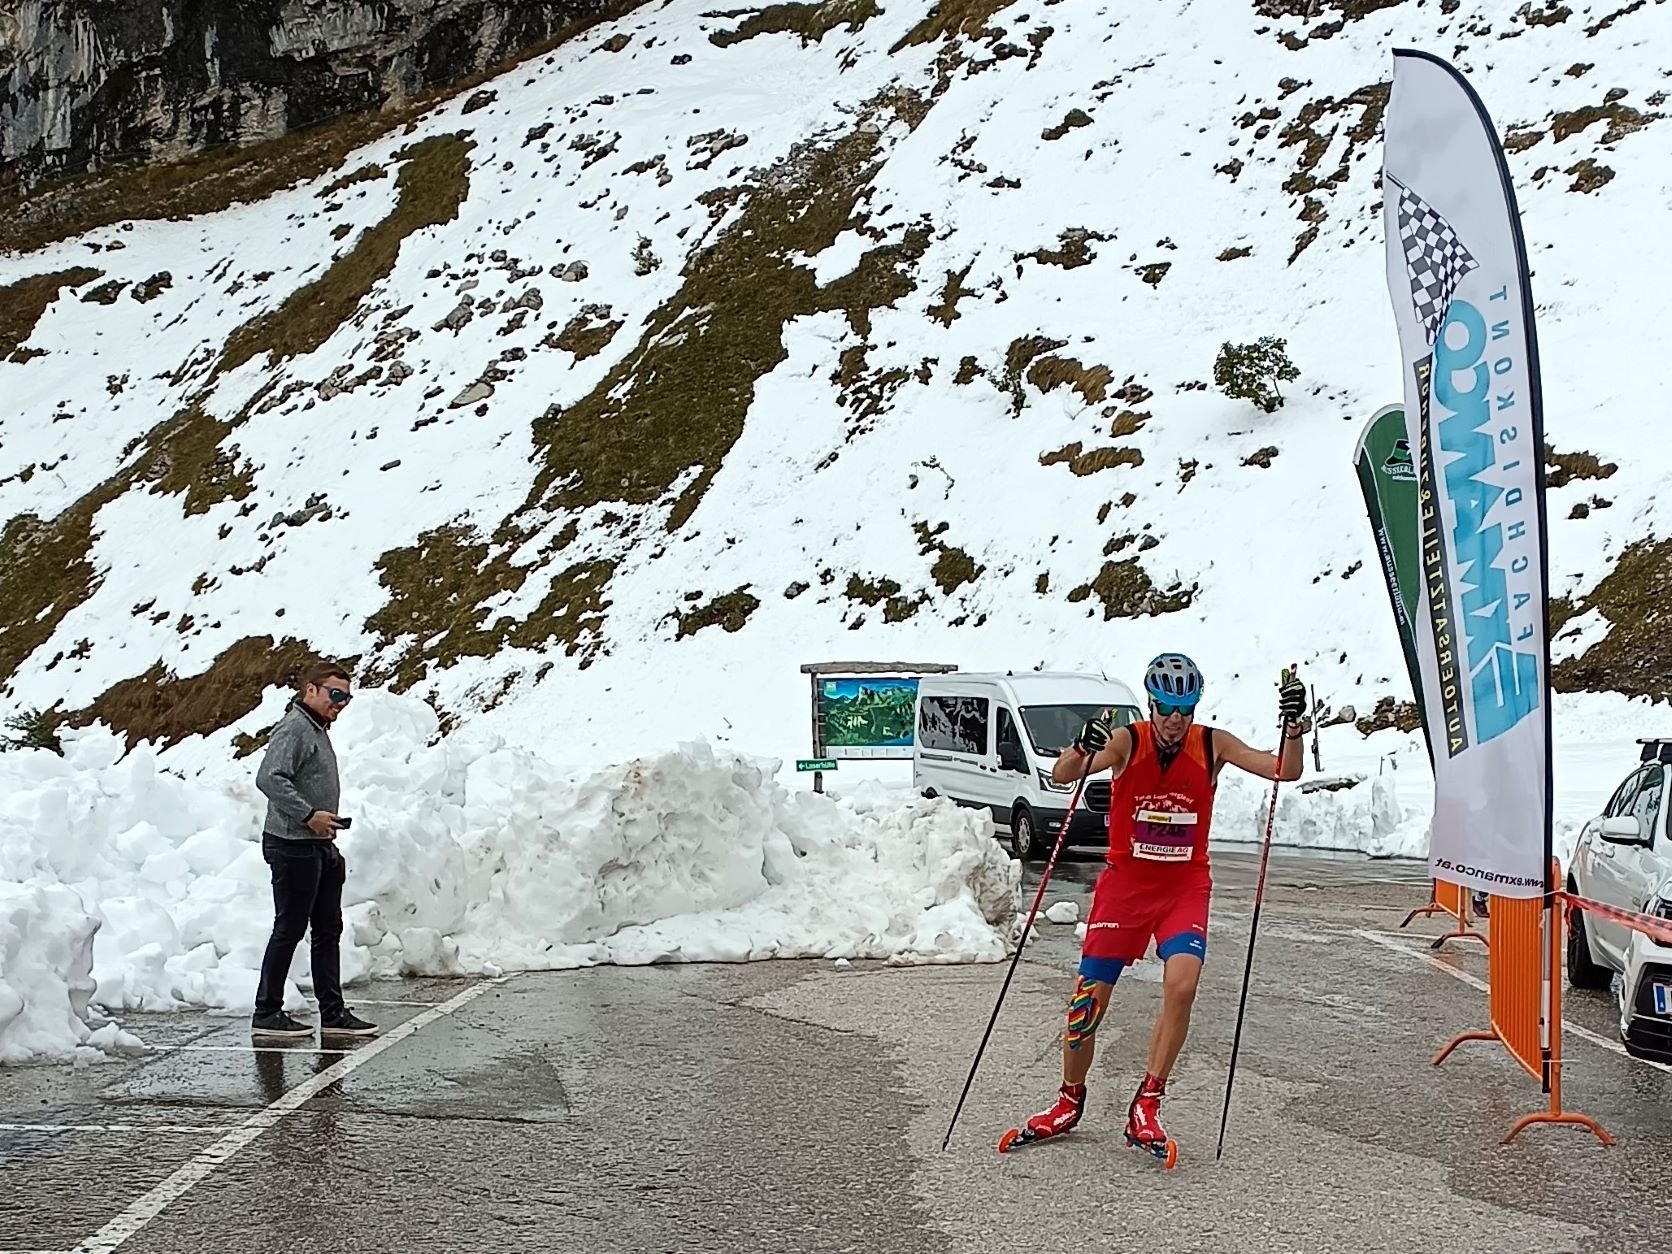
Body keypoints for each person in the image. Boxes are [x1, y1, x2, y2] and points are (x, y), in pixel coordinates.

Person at [1017, 653, 1305, 1156]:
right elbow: (1066, 774)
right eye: (1168, 707)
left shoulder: (1212, 744)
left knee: (1183, 983)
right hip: (1126, 886)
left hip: (1183, 886)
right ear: (1152, 703)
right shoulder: (1129, 739)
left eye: (1186, 708)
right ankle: (1069, 1098)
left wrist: (1295, 726)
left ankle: (1146, 1103)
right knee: (1088, 1001)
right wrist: (1081, 748)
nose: (1176, 719)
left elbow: (1283, 769)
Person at [249, 663, 377, 1039]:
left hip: (319, 844)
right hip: (292, 845)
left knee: (327, 929)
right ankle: (267, 1012)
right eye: (335, 695)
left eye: (346, 697)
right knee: (289, 928)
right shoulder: (295, 728)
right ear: (311, 690)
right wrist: (308, 815)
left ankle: (333, 1013)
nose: (341, 703)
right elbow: (268, 777)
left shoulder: (316, 729)